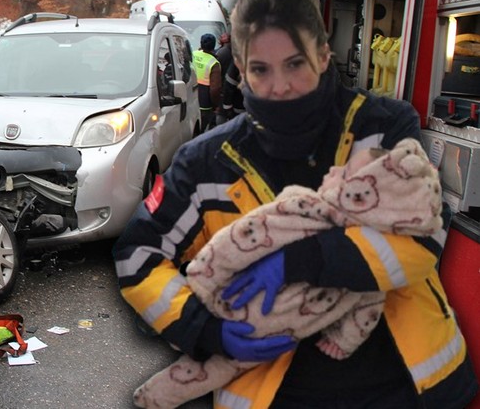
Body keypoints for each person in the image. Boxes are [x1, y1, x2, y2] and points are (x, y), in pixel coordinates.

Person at [114, 0, 477, 409]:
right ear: (240, 72)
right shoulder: (206, 162)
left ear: (324, 55)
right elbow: (138, 256)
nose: (280, 85)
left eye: (295, 63)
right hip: (275, 394)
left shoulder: (383, 126)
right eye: (261, 70)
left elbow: (424, 238)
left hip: (405, 388)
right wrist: (207, 330)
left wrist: (300, 259)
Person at [133, 139, 444, 408]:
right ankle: (159, 385)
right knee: (213, 361)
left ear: (362, 196)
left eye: (345, 174)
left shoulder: (309, 208)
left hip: (267, 331)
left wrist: (203, 276)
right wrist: (343, 340)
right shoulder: (347, 236)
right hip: (243, 301)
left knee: (212, 368)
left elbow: (242, 237)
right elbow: (368, 305)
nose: (333, 171)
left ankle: (154, 395)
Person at [192, 33, 222, 134]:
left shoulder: (193, 54)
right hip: (204, 105)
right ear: (213, 46)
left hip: (190, 100)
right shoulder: (214, 63)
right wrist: (216, 105)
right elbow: (215, 89)